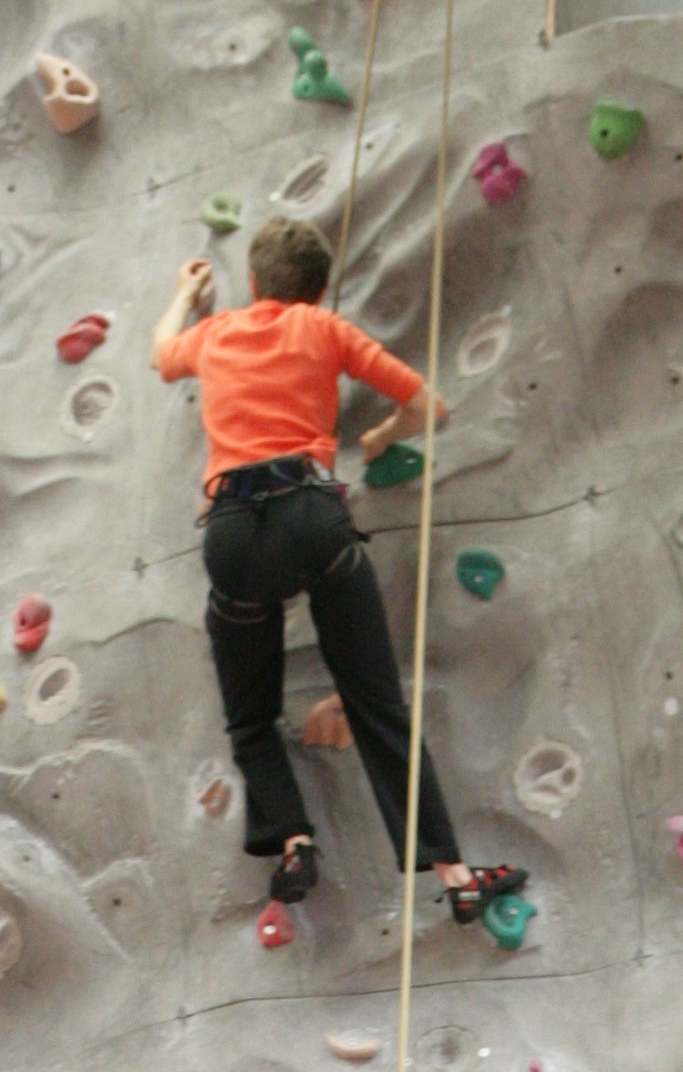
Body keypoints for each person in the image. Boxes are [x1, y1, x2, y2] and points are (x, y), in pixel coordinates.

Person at [150, 214, 527, 932]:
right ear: (318, 292)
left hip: (233, 534)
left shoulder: (217, 332)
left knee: (250, 717)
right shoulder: (325, 328)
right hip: (311, 519)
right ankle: (452, 874)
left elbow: (161, 353)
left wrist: (184, 294)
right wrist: (382, 434)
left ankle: (293, 842)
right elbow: (429, 405)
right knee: (376, 702)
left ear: (253, 281)